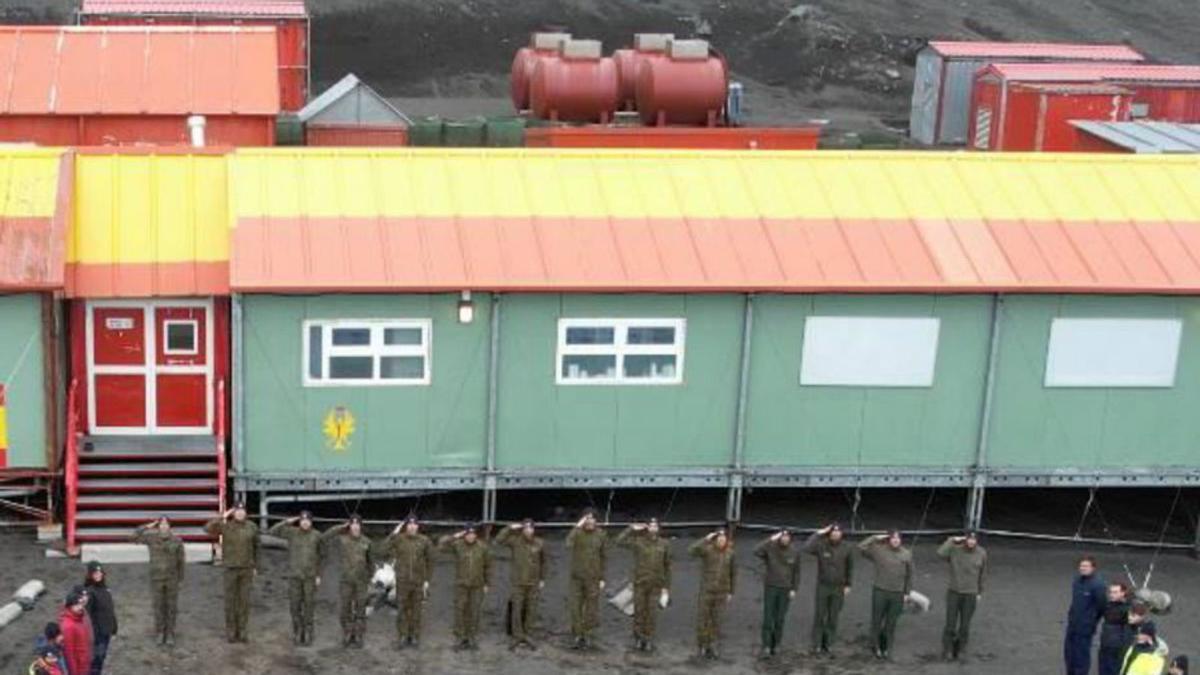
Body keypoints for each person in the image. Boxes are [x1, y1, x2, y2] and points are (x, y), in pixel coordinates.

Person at [204, 501, 261, 643]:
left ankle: (242, 631)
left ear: (246, 513)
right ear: (233, 513)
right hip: (230, 568)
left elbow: (257, 548)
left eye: (242, 511)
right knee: (230, 602)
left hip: (246, 569)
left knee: (244, 602)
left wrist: (257, 566)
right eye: (237, 511)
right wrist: (223, 516)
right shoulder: (226, 526)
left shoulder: (252, 527)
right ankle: (231, 632)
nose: (240, 513)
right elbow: (207, 528)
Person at [268, 511, 325, 645]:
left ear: (311, 522)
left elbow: (322, 556)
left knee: (309, 606)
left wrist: (319, 574)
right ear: (299, 521)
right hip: (295, 576)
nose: (305, 523)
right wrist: (287, 522)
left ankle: (308, 633)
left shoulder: (317, 536)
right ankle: (298, 632)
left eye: (308, 520)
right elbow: (273, 531)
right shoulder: (292, 533)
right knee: (295, 606)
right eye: (302, 520)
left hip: (310, 577)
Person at [615, 518, 671, 653]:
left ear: (658, 528)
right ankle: (638, 639)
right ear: (646, 527)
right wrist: (631, 528)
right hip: (640, 583)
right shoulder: (638, 542)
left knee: (651, 614)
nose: (653, 527)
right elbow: (619, 541)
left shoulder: (664, 544)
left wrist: (666, 587)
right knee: (639, 612)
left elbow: (667, 566)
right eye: (650, 525)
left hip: (656, 584)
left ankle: (648, 639)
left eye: (655, 525)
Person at [858, 530, 913, 660]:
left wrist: (907, 592)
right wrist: (874, 537)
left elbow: (909, 575)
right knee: (876, 620)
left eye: (898, 538)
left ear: (901, 540)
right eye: (893, 538)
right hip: (880, 591)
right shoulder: (879, 551)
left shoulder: (906, 554)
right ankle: (875, 646)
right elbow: (861, 547)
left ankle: (886, 647)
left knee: (891, 622)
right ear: (888, 539)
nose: (895, 540)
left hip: (897, 594)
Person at [131, 516, 186, 646]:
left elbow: (181, 561)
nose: (164, 527)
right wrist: (147, 526)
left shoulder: (177, 541)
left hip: (172, 578)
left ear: (170, 527)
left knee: (171, 607)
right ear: (158, 526)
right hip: (156, 578)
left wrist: (180, 579)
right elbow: (133, 537)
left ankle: (171, 633)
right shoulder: (151, 539)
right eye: (161, 524)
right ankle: (160, 632)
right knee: (158, 606)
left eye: (166, 524)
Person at [320, 515, 374, 648]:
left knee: (360, 609)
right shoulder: (342, 540)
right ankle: (347, 634)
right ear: (349, 526)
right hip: (346, 581)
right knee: (345, 609)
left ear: (361, 526)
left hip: (361, 582)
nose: (355, 526)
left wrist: (369, 578)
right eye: (352, 524)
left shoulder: (367, 542)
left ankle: (359, 635)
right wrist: (340, 527)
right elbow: (324, 537)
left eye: (357, 524)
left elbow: (371, 563)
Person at [495, 518, 547, 650]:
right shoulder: (515, 541)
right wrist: (510, 528)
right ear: (522, 529)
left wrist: (542, 579)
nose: (529, 530)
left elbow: (544, 562)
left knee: (531, 609)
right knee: (517, 609)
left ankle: (528, 634)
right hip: (518, 582)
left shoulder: (540, 543)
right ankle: (517, 636)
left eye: (531, 527)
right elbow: (498, 540)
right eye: (526, 527)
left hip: (533, 582)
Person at [382, 516, 434, 648]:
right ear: (406, 526)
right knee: (402, 611)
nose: (412, 526)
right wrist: (394, 533)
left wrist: (427, 579)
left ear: (418, 526)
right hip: (402, 582)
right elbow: (383, 549)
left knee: (416, 611)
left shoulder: (424, 541)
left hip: (418, 582)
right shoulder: (399, 539)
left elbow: (431, 560)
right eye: (409, 524)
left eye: (414, 524)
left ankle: (415, 637)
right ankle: (402, 637)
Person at [438, 524, 492, 650]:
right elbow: (441, 546)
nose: (471, 536)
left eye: (473, 534)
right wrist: (454, 536)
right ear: (465, 535)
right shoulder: (458, 545)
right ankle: (460, 638)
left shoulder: (482, 547)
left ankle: (472, 637)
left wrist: (487, 583)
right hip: (461, 585)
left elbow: (488, 566)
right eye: (468, 534)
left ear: (476, 535)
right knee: (460, 611)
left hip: (477, 585)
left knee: (474, 612)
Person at [804, 523, 853, 656]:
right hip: (823, 586)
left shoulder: (847, 547)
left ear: (841, 534)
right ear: (829, 534)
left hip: (838, 588)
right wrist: (818, 533)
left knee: (833, 616)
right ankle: (817, 644)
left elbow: (850, 567)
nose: (835, 534)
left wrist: (848, 585)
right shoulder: (821, 545)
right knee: (819, 615)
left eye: (838, 532)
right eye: (833, 532)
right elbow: (806, 548)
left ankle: (829, 643)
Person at [937, 532, 987, 661]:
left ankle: (961, 649)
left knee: (965, 625)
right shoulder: (955, 550)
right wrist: (952, 540)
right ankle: (947, 649)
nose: (971, 542)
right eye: (969, 539)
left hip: (971, 593)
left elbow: (983, 574)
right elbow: (940, 553)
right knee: (950, 624)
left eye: (974, 540)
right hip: (954, 592)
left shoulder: (982, 553)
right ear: (965, 539)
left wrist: (980, 592)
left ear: (977, 541)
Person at [689, 528, 736, 660]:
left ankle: (712, 646)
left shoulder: (730, 553)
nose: (721, 540)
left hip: (722, 592)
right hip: (706, 591)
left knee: (717, 621)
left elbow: (733, 573)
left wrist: (731, 591)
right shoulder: (708, 550)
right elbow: (691, 551)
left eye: (723, 538)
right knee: (703, 620)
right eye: (719, 538)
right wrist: (706, 539)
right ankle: (702, 646)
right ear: (715, 539)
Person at [753, 529, 800, 659]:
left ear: (790, 539)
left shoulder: (795, 552)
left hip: (785, 589)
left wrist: (794, 589)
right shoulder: (771, 548)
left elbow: (797, 572)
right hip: (771, 587)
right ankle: (766, 646)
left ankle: (776, 644)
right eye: (783, 536)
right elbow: (756, 551)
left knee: (780, 619)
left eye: (787, 537)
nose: (785, 539)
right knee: (768, 618)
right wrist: (771, 539)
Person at [565, 509, 608, 650]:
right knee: (575, 608)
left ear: (596, 520)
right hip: (576, 578)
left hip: (593, 578)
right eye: (587, 518)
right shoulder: (577, 533)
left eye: (592, 518)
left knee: (591, 609)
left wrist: (602, 577)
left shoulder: (601, 535)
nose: (590, 521)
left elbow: (604, 557)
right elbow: (568, 544)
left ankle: (588, 635)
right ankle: (577, 635)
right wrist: (577, 527)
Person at [1064, 555, 1107, 675]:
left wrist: (1091, 621)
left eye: (1086, 566)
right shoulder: (1076, 580)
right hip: (1072, 625)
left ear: (1093, 568)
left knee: (1081, 656)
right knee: (1069, 654)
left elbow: (1102, 606)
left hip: (1085, 628)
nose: (1083, 568)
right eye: (1081, 566)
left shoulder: (1098, 585)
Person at [83, 562, 116, 674]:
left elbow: (110, 609)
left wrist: (114, 625)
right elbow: (87, 616)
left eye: (99, 572)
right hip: (98, 634)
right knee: (96, 660)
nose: (98, 575)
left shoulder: (105, 589)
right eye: (95, 573)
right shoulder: (90, 592)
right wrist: (94, 633)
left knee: (101, 657)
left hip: (106, 631)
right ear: (90, 575)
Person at [1098, 583, 1133, 675]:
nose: (1112, 595)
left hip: (1118, 648)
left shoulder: (1129, 608)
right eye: (1110, 592)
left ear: (1123, 593)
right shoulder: (1109, 605)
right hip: (1105, 645)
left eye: (1115, 592)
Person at [58, 589, 93, 675]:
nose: (80, 607)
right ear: (70, 606)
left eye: (81, 603)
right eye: (77, 604)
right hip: (79, 668)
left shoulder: (81, 616)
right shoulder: (68, 626)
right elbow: (69, 653)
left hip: (85, 661)